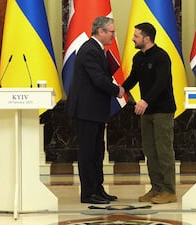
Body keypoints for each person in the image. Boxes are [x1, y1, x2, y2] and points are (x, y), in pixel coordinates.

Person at [66, 16, 124, 204]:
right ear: (101, 31)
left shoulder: (97, 49)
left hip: (95, 111)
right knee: (88, 153)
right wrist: (118, 90)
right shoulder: (90, 50)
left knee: (98, 152)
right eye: (111, 32)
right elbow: (98, 79)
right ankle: (88, 193)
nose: (113, 36)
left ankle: (98, 189)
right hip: (86, 111)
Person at [122, 22, 177, 204]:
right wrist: (120, 89)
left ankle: (169, 191)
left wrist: (145, 101)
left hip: (162, 110)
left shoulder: (162, 57)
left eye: (136, 36)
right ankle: (156, 188)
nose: (133, 39)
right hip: (146, 112)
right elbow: (133, 79)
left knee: (164, 151)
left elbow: (161, 84)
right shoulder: (138, 58)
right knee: (150, 151)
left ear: (147, 38)